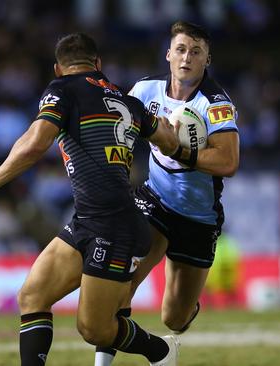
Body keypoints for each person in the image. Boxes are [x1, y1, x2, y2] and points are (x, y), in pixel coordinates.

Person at [0, 33, 189, 366]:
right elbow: (170, 142)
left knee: (93, 329)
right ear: (98, 64)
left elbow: (35, 143)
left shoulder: (61, 90)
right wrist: (177, 133)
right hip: (90, 220)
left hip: (113, 225)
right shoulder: (127, 101)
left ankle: (161, 353)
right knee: (33, 295)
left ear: (58, 69)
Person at [92, 21, 239, 365]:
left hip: (198, 219)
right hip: (154, 201)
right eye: (182, 49)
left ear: (207, 60)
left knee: (173, 319)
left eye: (196, 52)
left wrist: (179, 150)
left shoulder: (216, 104)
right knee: (122, 284)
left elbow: (229, 162)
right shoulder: (145, 91)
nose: (187, 57)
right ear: (169, 54)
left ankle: (188, 308)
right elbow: (118, 132)